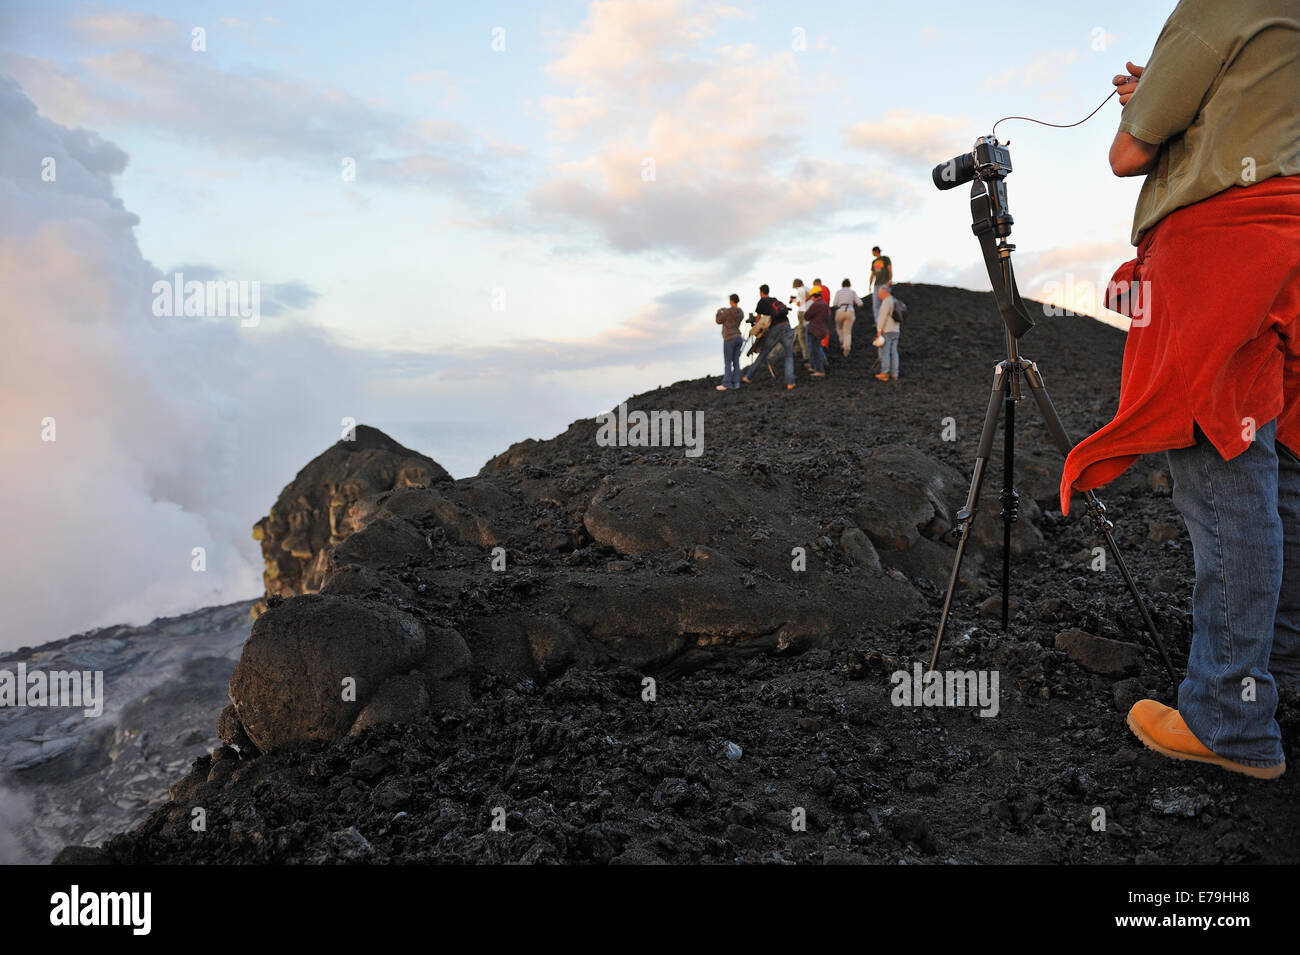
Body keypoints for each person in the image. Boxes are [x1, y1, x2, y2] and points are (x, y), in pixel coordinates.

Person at [1060, 0, 1300, 780]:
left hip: (1222, 246)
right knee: (1283, 463)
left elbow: (1128, 156)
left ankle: (1229, 720)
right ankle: (1274, 683)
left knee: (1223, 462)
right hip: (1289, 240)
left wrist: (1154, 105)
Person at [742, 284, 795, 390]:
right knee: (789, 356)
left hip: (776, 329)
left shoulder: (762, 302)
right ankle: (790, 383)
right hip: (786, 326)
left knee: (763, 353)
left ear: (761, 292)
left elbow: (758, 320)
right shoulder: (774, 300)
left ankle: (748, 376)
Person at [715, 293, 744, 391]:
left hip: (729, 338)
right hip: (738, 337)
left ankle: (727, 383)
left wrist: (719, 312)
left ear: (731, 301)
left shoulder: (727, 312)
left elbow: (718, 320)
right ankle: (736, 383)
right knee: (736, 361)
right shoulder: (741, 312)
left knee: (728, 362)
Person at [874, 286, 900, 382]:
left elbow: (882, 316)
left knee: (885, 352)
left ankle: (885, 373)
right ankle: (895, 373)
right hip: (896, 330)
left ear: (884, 292)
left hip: (887, 330)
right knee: (894, 352)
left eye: (880, 293)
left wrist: (879, 330)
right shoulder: (895, 301)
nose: (879, 295)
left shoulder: (886, 302)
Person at [832, 278, 863, 357]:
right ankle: (847, 348)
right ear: (849, 285)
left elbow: (835, 303)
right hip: (850, 311)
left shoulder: (838, 292)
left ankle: (842, 341)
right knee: (847, 331)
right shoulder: (852, 292)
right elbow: (860, 303)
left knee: (838, 328)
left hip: (840, 311)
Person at [804, 292, 830, 377]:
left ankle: (819, 370)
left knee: (814, 350)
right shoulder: (825, 304)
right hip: (821, 330)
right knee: (817, 349)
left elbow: (806, 316)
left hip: (814, 330)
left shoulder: (815, 305)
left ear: (814, 297)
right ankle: (815, 367)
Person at [869, 246, 892, 323]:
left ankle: (888, 321)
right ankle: (878, 323)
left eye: (873, 252)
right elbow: (873, 274)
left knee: (885, 303)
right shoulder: (874, 262)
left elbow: (889, 269)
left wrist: (890, 280)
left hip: (884, 283)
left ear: (876, 251)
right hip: (876, 285)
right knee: (876, 304)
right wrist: (869, 285)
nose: (872, 253)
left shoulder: (885, 259)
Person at [789, 279, 809, 362]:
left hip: (802, 312)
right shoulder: (808, 289)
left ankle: (805, 355)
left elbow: (799, 303)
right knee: (806, 333)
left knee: (801, 335)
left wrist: (793, 300)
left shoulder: (801, 290)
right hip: (810, 312)